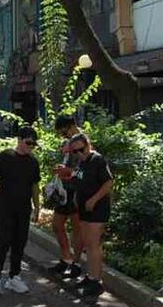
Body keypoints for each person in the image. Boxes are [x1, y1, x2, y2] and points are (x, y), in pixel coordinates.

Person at [0, 126, 42, 295]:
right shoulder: (5, 156)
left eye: (33, 144)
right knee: (4, 239)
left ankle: (14, 277)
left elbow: (35, 186)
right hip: (5, 205)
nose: (30, 146)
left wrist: (37, 207)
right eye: (28, 142)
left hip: (23, 207)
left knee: (20, 242)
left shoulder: (33, 162)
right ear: (19, 140)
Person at [70, 133, 114, 297]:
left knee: (94, 244)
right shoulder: (81, 163)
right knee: (88, 244)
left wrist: (94, 200)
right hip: (83, 208)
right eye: (74, 152)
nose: (78, 154)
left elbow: (109, 182)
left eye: (81, 150)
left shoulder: (98, 160)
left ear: (88, 146)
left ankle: (96, 281)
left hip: (97, 209)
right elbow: (79, 182)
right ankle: (90, 276)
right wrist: (76, 197)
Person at [47, 115, 85, 279]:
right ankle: (66, 258)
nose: (63, 136)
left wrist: (69, 172)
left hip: (77, 191)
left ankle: (75, 264)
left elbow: (87, 171)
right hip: (63, 191)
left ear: (71, 127)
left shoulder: (84, 143)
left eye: (64, 133)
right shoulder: (67, 144)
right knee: (57, 225)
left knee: (77, 229)